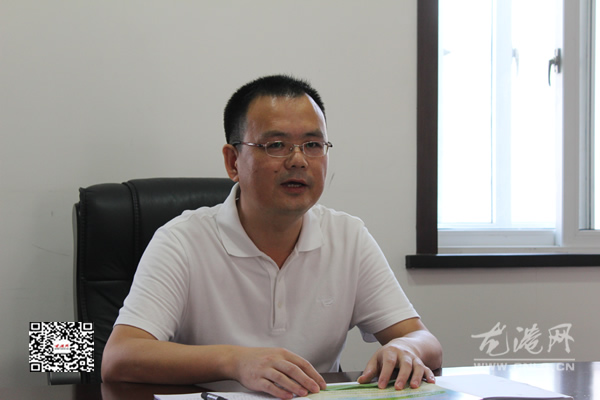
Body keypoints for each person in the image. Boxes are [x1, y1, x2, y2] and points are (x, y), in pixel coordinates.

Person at [101, 75, 442, 399]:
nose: (298, 160)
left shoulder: (348, 237)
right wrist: (235, 362)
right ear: (233, 161)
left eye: (313, 144)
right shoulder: (181, 241)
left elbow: (424, 340)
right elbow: (118, 357)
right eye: (276, 145)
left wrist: (405, 348)